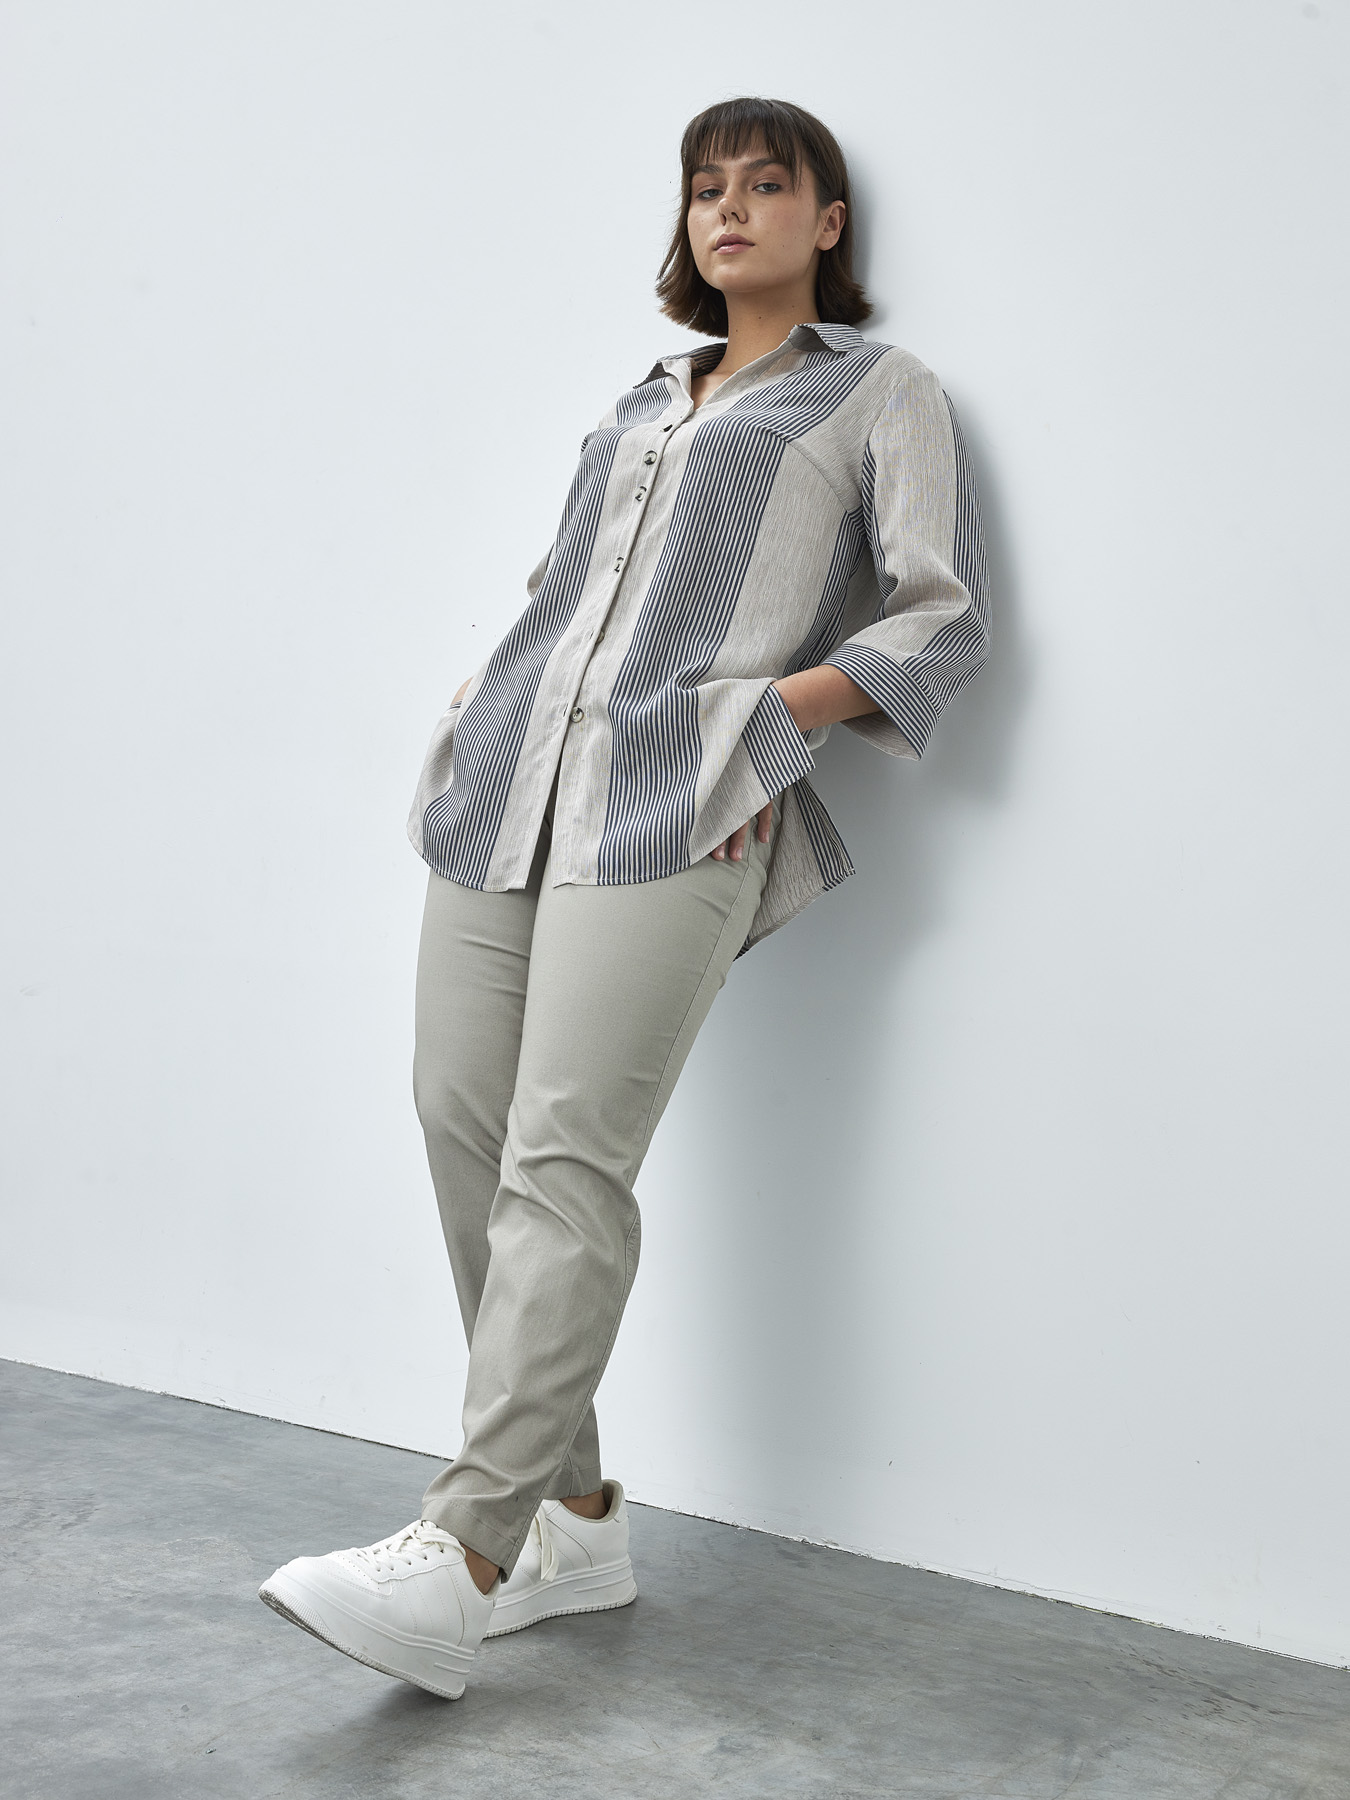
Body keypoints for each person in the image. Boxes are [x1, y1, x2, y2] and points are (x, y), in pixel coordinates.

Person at [259, 95, 989, 1699]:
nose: (729, 209)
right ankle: (574, 1522)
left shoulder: (878, 392)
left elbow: (936, 619)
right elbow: (565, 591)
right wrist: (480, 702)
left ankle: (463, 1549)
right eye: (705, 187)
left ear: (825, 223)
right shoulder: (641, 399)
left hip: (679, 807)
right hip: (509, 785)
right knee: (462, 1130)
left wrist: (764, 724)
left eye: (767, 186)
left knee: (565, 1159)